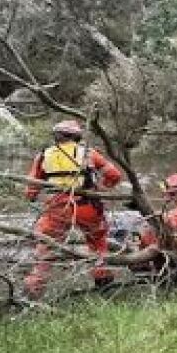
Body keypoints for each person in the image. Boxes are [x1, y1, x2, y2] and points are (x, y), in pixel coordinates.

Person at [23, 119, 124, 298]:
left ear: (56, 136)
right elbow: (115, 175)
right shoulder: (89, 153)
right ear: (76, 136)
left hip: (57, 208)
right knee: (98, 246)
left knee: (47, 249)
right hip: (87, 206)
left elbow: (31, 187)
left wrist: (31, 198)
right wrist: (103, 188)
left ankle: (33, 292)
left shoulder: (44, 155)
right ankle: (104, 288)